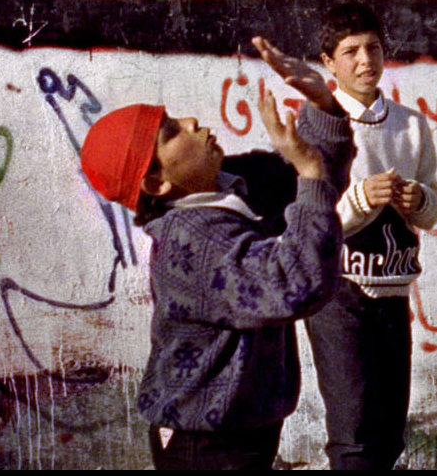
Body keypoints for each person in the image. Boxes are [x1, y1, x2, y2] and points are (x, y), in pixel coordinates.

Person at [78, 36, 351, 469]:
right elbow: (300, 283)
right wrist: (311, 172)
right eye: (171, 133)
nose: (190, 122)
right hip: (207, 447)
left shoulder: (227, 188)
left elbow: (304, 178)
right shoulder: (193, 241)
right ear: (157, 183)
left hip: (239, 431)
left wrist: (321, 103)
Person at [298, 2, 437, 470]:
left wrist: (418, 199)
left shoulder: (411, 124)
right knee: (354, 432)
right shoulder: (317, 126)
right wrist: (360, 200)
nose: (365, 61)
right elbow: (307, 221)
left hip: (393, 292)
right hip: (338, 295)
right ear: (328, 62)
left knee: (388, 431)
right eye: (351, 51)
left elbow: (433, 211)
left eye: (373, 48)